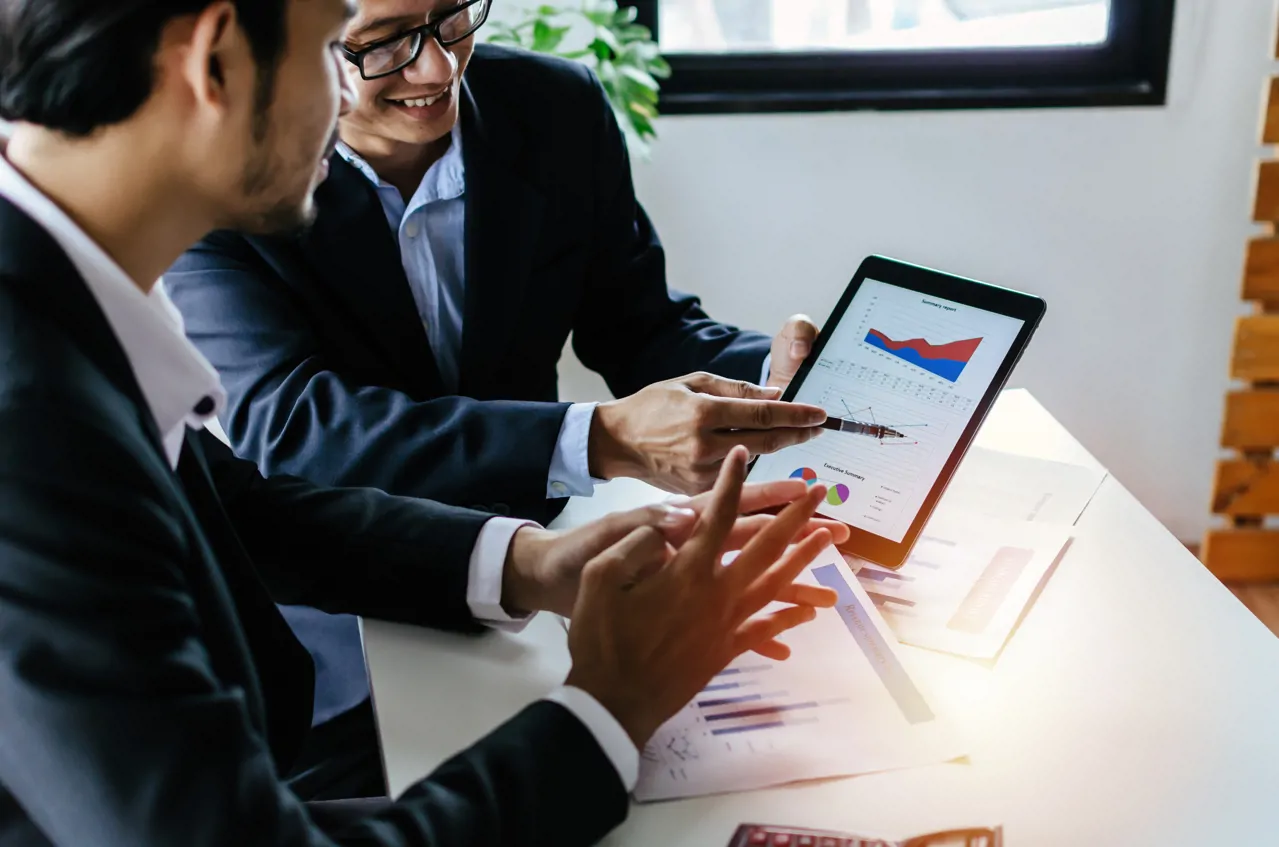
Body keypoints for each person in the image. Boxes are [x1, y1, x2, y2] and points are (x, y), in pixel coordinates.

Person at [0, 0, 848, 842]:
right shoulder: (30, 425)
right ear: (213, 61)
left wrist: (527, 561)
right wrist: (609, 706)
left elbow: (241, 509)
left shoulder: (54, 302)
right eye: (340, 43)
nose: (429, 74)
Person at [165, 0, 833, 733]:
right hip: (345, 620)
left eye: (453, 15)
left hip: (559, 575)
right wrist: (597, 438)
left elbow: (641, 326)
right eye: (383, 42)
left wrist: (771, 375)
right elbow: (296, 427)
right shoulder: (232, 163)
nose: (438, 66)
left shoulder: (555, 106)